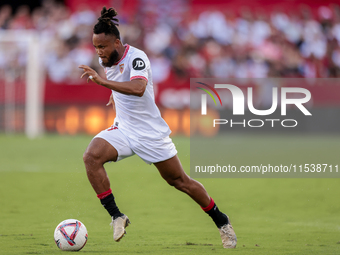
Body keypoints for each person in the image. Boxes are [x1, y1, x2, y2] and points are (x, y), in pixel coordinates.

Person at [79, 7, 237, 249]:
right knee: (91, 157)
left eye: (103, 47)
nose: (99, 52)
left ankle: (222, 221)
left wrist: (103, 83)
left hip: (150, 134)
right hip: (123, 129)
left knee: (180, 182)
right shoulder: (108, 59)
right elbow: (119, 82)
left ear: (117, 43)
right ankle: (116, 215)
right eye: (96, 47)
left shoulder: (137, 57)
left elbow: (139, 88)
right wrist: (113, 93)